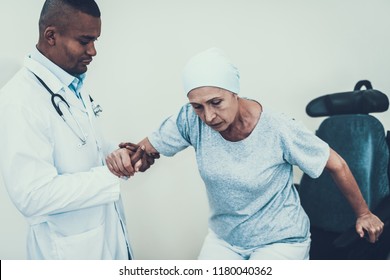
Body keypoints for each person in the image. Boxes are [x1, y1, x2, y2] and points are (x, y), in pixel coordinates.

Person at [106, 48, 384, 260]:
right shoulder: (190, 120)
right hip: (225, 239)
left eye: (216, 102)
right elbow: (145, 150)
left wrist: (364, 213)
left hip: (280, 241)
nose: (209, 116)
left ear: (235, 93)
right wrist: (128, 157)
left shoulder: (278, 128)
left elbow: (336, 164)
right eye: (198, 106)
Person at [0, 0, 145, 260]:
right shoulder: (19, 100)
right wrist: (110, 175)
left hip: (104, 238)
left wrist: (119, 154)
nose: (93, 51)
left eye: (95, 41)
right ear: (51, 36)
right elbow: (32, 196)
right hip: (67, 254)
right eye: (84, 41)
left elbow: (85, 146)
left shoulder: (71, 84)